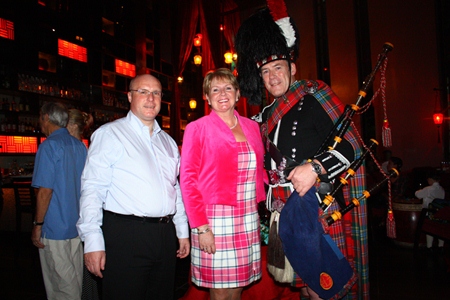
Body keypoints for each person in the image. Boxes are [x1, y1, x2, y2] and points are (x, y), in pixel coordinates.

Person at [235, 3, 367, 299]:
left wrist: (316, 167)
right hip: (282, 212)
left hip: (318, 206)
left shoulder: (314, 94)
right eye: (265, 72)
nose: (272, 78)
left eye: (278, 68)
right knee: (306, 287)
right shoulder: (264, 117)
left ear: (292, 68)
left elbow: (353, 146)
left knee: (325, 289)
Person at [76, 74, 190, 300]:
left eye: (156, 93)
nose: (151, 98)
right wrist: (92, 241)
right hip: (125, 234)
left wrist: (182, 231)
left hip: (164, 235)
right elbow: (92, 189)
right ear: (129, 96)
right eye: (143, 92)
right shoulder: (110, 134)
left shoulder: (167, 141)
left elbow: (174, 189)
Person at [180, 68, 267, 300]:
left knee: (238, 285)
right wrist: (202, 227)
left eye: (228, 88)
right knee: (219, 290)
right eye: (215, 89)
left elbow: (259, 171)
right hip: (214, 220)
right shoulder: (197, 129)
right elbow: (187, 181)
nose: (222, 94)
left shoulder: (252, 127)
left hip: (247, 217)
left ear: (238, 94)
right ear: (207, 97)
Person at [31, 102, 88, 299]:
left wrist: (38, 225)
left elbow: (45, 191)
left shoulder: (49, 146)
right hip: (76, 226)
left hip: (55, 227)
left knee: (60, 286)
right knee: (74, 281)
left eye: (40, 117)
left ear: (46, 117)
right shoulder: (80, 146)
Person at [66, 108, 99, 300]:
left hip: (77, 215)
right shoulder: (83, 148)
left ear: (70, 125)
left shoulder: (71, 148)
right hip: (84, 214)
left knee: (74, 268)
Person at [415, 170, 445, 249]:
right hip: (440, 213)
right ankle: (441, 246)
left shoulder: (428, 189)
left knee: (429, 229)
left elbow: (418, 194)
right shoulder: (442, 189)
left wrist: (419, 190)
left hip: (429, 213)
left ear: (430, 179)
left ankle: (429, 246)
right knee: (439, 229)